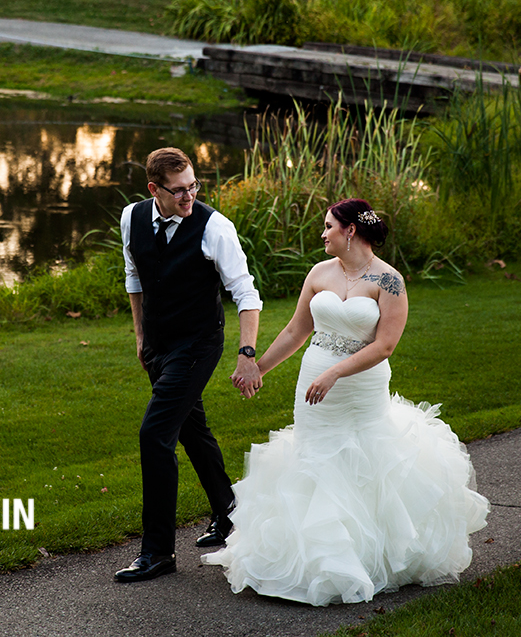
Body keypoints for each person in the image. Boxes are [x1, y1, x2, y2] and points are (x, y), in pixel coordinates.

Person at [203, 198, 488, 605]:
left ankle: (365, 557)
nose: (322, 234)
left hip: (358, 388)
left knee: (362, 460)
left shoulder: (389, 281)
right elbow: (296, 331)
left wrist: (336, 372)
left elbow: (386, 345)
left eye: (328, 227)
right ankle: (313, 557)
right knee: (314, 457)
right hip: (313, 385)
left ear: (349, 230)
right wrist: (258, 367)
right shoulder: (319, 273)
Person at [113, 147, 263, 583]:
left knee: (155, 434)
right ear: (153, 189)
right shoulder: (132, 217)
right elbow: (134, 275)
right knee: (191, 429)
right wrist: (141, 337)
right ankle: (229, 513)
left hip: (198, 343)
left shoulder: (215, 226)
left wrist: (247, 352)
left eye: (193, 186)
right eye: (178, 190)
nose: (189, 196)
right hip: (158, 343)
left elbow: (246, 293)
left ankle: (157, 552)